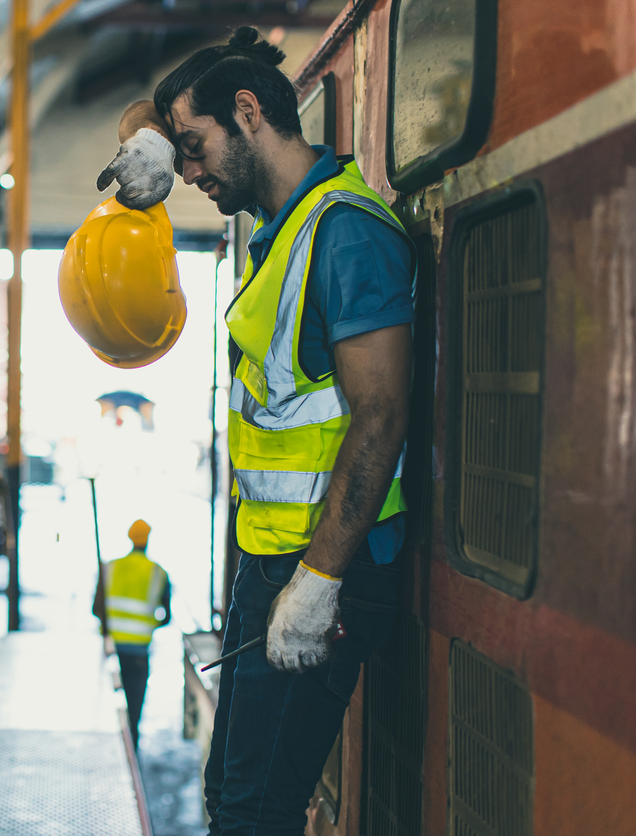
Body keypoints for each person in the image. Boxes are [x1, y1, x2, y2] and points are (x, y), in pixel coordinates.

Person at [97, 27, 414, 835]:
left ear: (249, 111)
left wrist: (318, 583)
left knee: (253, 812)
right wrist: (151, 139)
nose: (190, 173)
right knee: (231, 799)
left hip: (322, 572)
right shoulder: (285, 229)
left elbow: (380, 415)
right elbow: (160, 116)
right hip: (269, 562)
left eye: (195, 150)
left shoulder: (345, 232)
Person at [93, 519, 171, 750]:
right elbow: (166, 617)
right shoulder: (158, 573)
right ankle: (131, 752)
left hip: (111, 649)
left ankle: (108, 748)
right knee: (133, 710)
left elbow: (96, 609)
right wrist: (148, 625)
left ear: (129, 537)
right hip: (139, 652)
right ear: (147, 540)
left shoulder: (110, 567)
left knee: (107, 707)